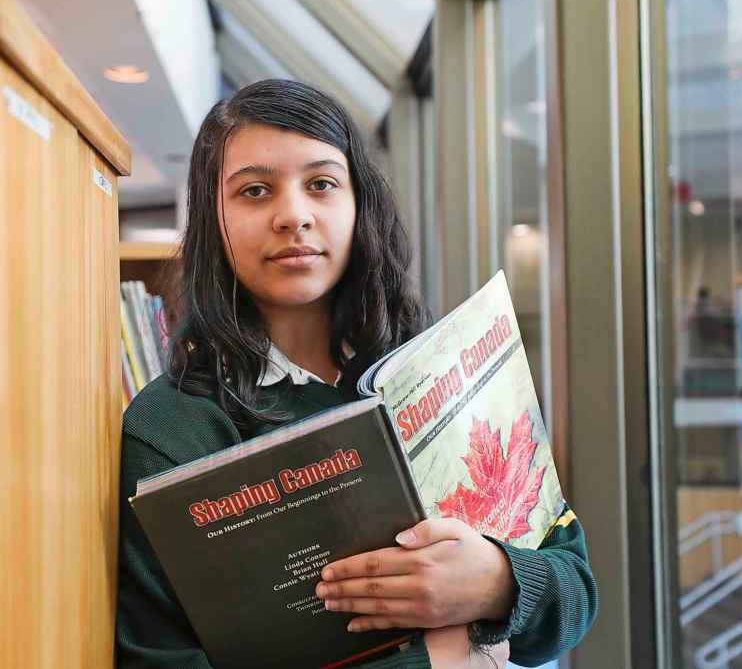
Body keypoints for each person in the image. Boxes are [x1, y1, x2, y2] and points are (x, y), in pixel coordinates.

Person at [116, 79, 598, 668]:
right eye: (254, 191)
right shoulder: (171, 426)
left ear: (359, 204)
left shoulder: (444, 369)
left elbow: (575, 590)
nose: (293, 216)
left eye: (321, 184)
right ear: (211, 219)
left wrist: (497, 581)